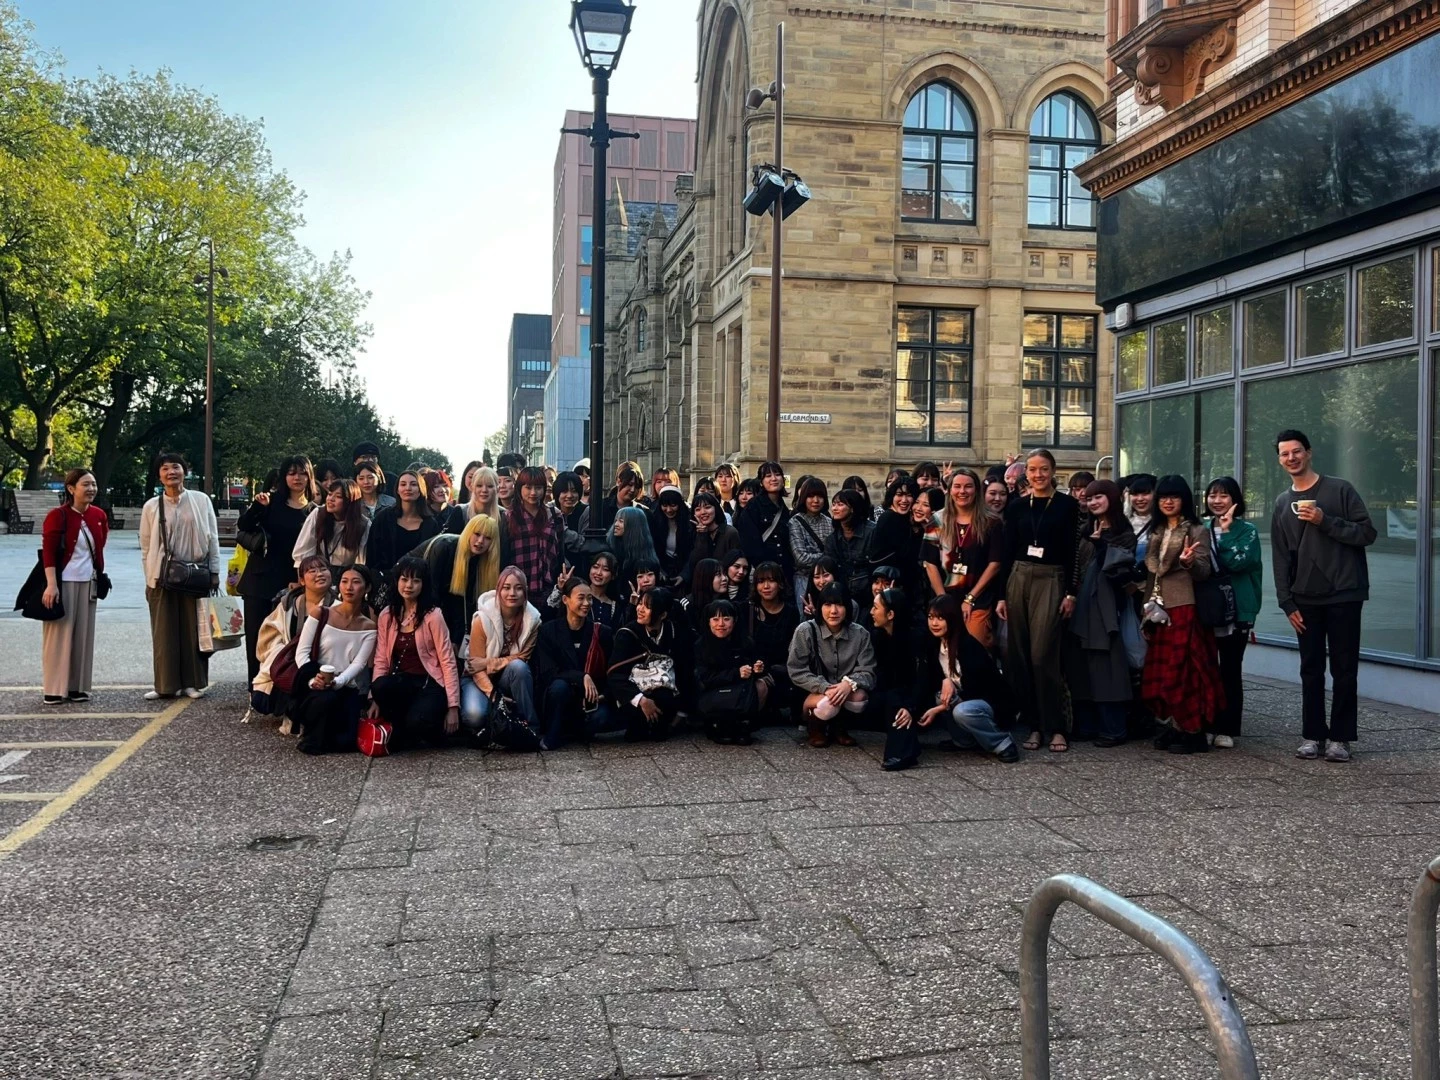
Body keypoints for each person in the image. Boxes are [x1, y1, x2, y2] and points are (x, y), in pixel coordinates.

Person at [1271, 429, 1375, 762]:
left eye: (1297, 451)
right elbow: (1281, 556)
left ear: (1309, 452)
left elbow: (1367, 533)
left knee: (1345, 669)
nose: (1292, 458)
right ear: (1279, 459)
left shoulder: (1339, 489)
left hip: (1345, 592)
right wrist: (1286, 601)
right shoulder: (1281, 503)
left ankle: (1341, 739)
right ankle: (1312, 735)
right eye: (1285, 454)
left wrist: (1325, 520)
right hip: (1305, 599)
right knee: (1310, 669)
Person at [997, 449, 1081, 753]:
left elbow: (1073, 551)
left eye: (1043, 469)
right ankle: (1033, 726)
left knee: (1042, 655)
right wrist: (1001, 596)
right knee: (1018, 656)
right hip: (1018, 577)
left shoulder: (1068, 506)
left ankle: (1056, 726)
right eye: (1032, 470)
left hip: (1051, 578)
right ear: (1025, 474)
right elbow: (1007, 552)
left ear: (1053, 471)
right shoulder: (1017, 507)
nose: (1037, 475)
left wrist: (1071, 592)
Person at [888, 594, 1019, 769]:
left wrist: (940, 707)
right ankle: (963, 741)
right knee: (940, 696)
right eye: (931, 617)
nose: (934, 623)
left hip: (990, 703)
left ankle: (1002, 742)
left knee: (962, 711)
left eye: (940, 618)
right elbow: (926, 680)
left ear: (953, 619)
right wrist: (942, 684)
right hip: (962, 699)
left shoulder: (968, 646)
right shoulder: (933, 644)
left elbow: (978, 689)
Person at [1142, 475, 1224, 755]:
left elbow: (1204, 571)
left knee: (1186, 672)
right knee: (1162, 671)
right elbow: (1152, 573)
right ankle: (1175, 726)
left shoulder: (1197, 530)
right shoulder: (1156, 531)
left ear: (1184, 500)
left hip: (1185, 606)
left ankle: (1194, 731)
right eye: (1163, 496)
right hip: (1157, 608)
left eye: (1174, 496)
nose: (1168, 501)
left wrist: (1189, 563)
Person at [139, 452, 221, 701]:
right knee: (164, 633)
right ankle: (165, 685)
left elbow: (213, 536)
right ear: (159, 476)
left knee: (194, 631)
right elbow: (145, 545)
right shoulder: (152, 506)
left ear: (185, 471)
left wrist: (215, 571)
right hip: (162, 577)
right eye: (164, 469)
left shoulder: (201, 500)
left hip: (195, 574)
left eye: (176, 467)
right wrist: (149, 577)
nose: (171, 472)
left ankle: (192, 683)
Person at [1065, 480, 1136, 748]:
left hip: (1105, 607)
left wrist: (1102, 545)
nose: (1093, 502)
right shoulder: (1084, 529)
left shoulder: (1122, 531)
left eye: (1099, 497)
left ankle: (1113, 728)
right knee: (1081, 668)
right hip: (1080, 604)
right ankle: (1087, 725)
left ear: (1113, 499)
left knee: (1107, 669)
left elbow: (1121, 569)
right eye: (1090, 498)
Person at [236, 456, 318, 682]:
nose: (297, 478)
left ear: (309, 477)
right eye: (291, 473)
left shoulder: (314, 511)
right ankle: (256, 688)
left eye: (302, 473)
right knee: (256, 637)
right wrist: (256, 507)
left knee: (287, 638)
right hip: (260, 581)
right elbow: (244, 526)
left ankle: (280, 688)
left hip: (292, 584)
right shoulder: (270, 501)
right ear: (284, 477)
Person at [366, 557, 461, 749]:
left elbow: (447, 660)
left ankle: (425, 729)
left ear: (423, 585)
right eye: (404, 579)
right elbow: (381, 659)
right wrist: (375, 700)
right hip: (403, 681)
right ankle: (402, 729)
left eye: (416, 581)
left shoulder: (433, 616)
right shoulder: (387, 615)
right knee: (379, 686)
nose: (409, 585)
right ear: (397, 581)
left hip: (430, 683)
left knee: (417, 722)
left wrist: (453, 707)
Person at [38, 468, 109, 705]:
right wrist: (51, 585)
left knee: (83, 636)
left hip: (88, 582)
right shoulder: (58, 515)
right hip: (63, 581)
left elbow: (100, 546)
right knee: (59, 636)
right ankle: (55, 688)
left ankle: (78, 687)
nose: (91, 489)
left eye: (94, 484)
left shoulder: (98, 515)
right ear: (71, 489)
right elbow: (48, 551)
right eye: (85, 484)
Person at [288, 565, 376, 754]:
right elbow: (301, 653)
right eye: (344, 582)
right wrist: (314, 679)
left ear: (367, 588)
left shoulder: (368, 626)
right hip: (313, 682)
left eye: (356, 582)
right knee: (323, 703)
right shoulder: (321, 614)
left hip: (345, 685)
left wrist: (337, 682)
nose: (349, 587)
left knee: (346, 743)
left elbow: (359, 663)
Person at [1204, 477, 1262, 748]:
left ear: (1235, 499)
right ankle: (1207, 723)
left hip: (1237, 609)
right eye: (1212, 495)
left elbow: (1240, 562)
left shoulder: (1247, 530)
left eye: (1223, 496)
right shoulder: (1201, 528)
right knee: (1206, 667)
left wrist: (1226, 534)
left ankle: (1227, 727)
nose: (1217, 501)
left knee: (1230, 667)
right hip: (1207, 609)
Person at [923, 468, 1003, 650]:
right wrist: (943, 600)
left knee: (973, 651)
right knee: (945, 653)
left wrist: (970, 599)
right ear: (950, 489)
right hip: (945, 596)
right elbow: (930, 563)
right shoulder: (937, 520)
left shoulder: (991, 522)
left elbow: (995, 564)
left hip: (977, 600)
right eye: (957, 486)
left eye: (968, 486)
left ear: (976, 490)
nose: (962, 491)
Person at [533, 577, 618, 749]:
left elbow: (612, 671)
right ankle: (553, 734)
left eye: (589, 598)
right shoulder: (548, 631)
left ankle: (575, 731)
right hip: (559, 697)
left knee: (601, 718)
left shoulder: (602, 632)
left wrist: (604, 696)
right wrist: (581, 677)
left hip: (589, 701)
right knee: (559, 687)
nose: (586, 603)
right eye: (581, 598)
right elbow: (549, 672)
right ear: (565, 600)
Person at [788, 582, 875, 748]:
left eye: (839, 605)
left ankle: (839, 727)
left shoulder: (861, 634)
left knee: (860, 698)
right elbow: (796, 670)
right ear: (820, 607)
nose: (833, 611)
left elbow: (868, 672)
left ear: (848, 607)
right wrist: (825, 687)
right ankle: (815, 728)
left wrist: (848, 684)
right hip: (812, 691)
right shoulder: (805, 630)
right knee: (828, 704)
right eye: (828, 605)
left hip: (844, 689)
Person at [460, 565, 542, 737]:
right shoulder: (482, 619)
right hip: (477, 679)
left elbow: (522, 657)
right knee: (474, 716)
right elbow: (475, 667)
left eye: (518, 588)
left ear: (525, 592)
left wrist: (489, 662)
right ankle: (493, 721)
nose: (512, 593)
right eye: (506, 587)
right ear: (498, 590)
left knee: (519, 667)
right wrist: (495, 697)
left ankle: (531, 726)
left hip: (508, 677)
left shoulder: (533, 620)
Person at [252, 555, 334, 723]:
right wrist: (284, 653)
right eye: (312, 571)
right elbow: (269, 634)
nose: (319, 574)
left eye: (323, 569)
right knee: (261, 700)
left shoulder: (337, 605)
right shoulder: (289, 604)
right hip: (289, 661)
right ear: (302, 580)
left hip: (321, 663)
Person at [412, 513, 502, 647]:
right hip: (414, 595)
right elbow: (432, 593)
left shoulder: (479, 561)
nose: (480, 541)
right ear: (468, 532)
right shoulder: (445, 547)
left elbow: (461, 602)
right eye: (477, 534)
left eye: (487, 538)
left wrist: (456, 639)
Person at [608, 587, 683, 741]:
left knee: (665, 696)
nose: (640, 609)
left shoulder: (675, 631)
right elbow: (615, 674)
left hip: (665, 691)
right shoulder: (627, 634)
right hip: (633, 691)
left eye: (647, 607)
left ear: (663, 614)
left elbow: (685, 668)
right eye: (640, 603)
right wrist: (641, 700)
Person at [695, 599, 769, 744]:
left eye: (726, 619)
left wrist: (758, 668)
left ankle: (744, 726)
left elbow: (757, 662)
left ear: (734, 621)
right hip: (713, 693)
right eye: (715, 619)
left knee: (761, 685)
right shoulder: (701, 645)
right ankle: (718, 726)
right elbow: (704, 678)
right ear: (708, 622)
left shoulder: (745, 641)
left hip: (739, 693)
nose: (721, 624)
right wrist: (736, 673)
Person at [506, 466, 565, 605]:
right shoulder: (509, 517)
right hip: (517, 589)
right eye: (528, 487)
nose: (533, 492)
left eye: (538, 487)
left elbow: (560, 551)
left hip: (548, 588)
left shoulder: (554, 514)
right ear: (520, 488)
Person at [366, 470, 441, 578]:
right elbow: (371, 556)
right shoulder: (383, 519)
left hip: (417, 583)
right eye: (403, 484)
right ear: (397, 489)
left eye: (413, 484)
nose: (408, 488)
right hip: (384, 582)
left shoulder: (431, 524)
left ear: (421, 489)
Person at [747, 562, 799, 719]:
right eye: (761, 581)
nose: (766, 586)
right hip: (754, 669)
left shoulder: (791, 612)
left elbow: (794, 648)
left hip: (782, 670)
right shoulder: (748, 610)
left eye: (771, 580)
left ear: (781, 584)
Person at [866, 475, 924, 600]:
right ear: (892, 496)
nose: (904, 500)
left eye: (909, 495)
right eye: (899, 494)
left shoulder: (904, 519)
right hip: (890, 588)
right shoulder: (890, 518)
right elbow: (907, 556)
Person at [294, 479, 369, 572]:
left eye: (338, 496)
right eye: (329, 494)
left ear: (350, 501)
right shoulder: (318, 514)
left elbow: (362, 562)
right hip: (319, 572)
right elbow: (303, 554)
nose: (331, 499)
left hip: (347, 575)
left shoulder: (363, 524)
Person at [737, 461, 792, 578]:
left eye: (777, 474)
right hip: (763, 572)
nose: (773, 478)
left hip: (784, 572)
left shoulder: (784, 509)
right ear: (761, 482)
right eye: (768, 476)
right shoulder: (753, 507)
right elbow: (750, 543)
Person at [788, 476, 833, 613]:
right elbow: (801, 557)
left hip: (827, 579)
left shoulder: (829, 522)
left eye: (819, 496)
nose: (815, 500)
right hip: (804, 579)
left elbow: (835, 553)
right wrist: (825, 557)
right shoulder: (795, 522)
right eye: (811, 496)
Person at [825, 489, 874, 600]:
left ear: (852, 508)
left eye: (840, 504)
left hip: (868, 593)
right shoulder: (832, 539)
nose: (835, 508)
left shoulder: (872, 532)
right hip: (844, 594)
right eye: (833, 504)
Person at [649, 485, 696, 586]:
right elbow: (651, 550)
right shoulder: (654, 522)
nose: (669, 510)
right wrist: (659, 571)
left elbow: (694, 552)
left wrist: (684, 575)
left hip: (685, 571)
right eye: (665, 506)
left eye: (673, 505)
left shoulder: (690, 523)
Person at [687, 492, 741, 575]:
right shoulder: (692, 533)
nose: (703, 512)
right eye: (698, 509)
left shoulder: (730, 533)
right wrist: (702, 536)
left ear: (716, 508)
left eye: (707, 507)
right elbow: (695, 564)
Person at [607, 505, 658, 591]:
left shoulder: (647, 559)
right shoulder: (609, 548)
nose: (616, 524)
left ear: (633, 525)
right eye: (615, 521)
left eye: (621, 521)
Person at [448, 464, 503, 534]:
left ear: (497, 489)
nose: (484, 490)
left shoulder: (504, 515)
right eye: (479, 486)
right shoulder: (460, 512)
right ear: (472, 487)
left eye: (490, 486)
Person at [681, 558, 725, 633]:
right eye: (718, 574)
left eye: (724, 574)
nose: (724, 578)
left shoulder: (725, 602)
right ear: (705, 577)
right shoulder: (687, 604)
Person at [1125, 474, 1157, 558]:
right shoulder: (1122, 523)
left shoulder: (1163, 523)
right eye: (1135, 494)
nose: (1140, 499)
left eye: (1145, 493)